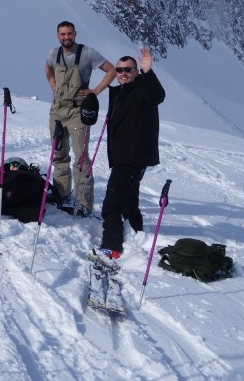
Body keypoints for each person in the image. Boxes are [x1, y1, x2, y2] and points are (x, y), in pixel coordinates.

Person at [97, 48, 165, 259]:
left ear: (135, 71)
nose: (123, 73)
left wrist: (148, 72)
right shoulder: (122, 92)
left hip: (131, 158)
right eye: (119, 70)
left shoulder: (141, 91)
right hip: (125, 157)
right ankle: (137, 234)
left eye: (128, 69)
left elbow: (157, 96)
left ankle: (111, 247)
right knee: (129, 201)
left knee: (111, 205)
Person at [43, 21, 116, 217]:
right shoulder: (53, 54)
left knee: (81, 158)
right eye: (62, 34)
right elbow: (48, 68)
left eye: (69, 33)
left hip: (77, 111)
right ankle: (62, 194)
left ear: (75, 34)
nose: (66, 37)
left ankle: (84, 203)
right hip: (57, 110)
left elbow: (112, 70)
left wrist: (95, 91)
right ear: (58, 35)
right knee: (59, 154)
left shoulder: (87, 53)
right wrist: (52, 84)